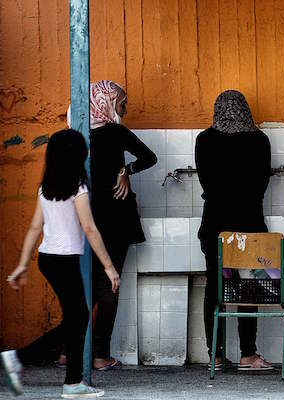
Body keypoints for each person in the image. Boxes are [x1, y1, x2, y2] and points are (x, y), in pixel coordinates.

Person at [3, 129, 120, 398]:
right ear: (78, 155)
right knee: (78, 318)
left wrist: (22, 264)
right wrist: (109, 267)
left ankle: (69, 380)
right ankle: (60, 377)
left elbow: (34, 228)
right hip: (64, 261)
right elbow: (89, 228)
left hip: (48, 260)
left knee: (76, 319)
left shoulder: (46, 188)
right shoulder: (78, 187)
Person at [196, 90, 272, 371]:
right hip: (249, 223)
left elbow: (206, 182)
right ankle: (247, 354)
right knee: (246, 290)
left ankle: (214, 355)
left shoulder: (204, 140)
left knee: (214, 289)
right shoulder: (259, 140)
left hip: (215, 224)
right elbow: (262, 181)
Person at [87, 80, 156, 370]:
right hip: (116, 218)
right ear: (108, 101)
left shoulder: (78, 135)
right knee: (110, 284)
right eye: (122, 102)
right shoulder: (116, 133)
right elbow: (150, 158)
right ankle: (101, 354)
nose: (125, 108)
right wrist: (125, 171)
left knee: (87, 285)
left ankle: (69, 350)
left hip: (88, 217)